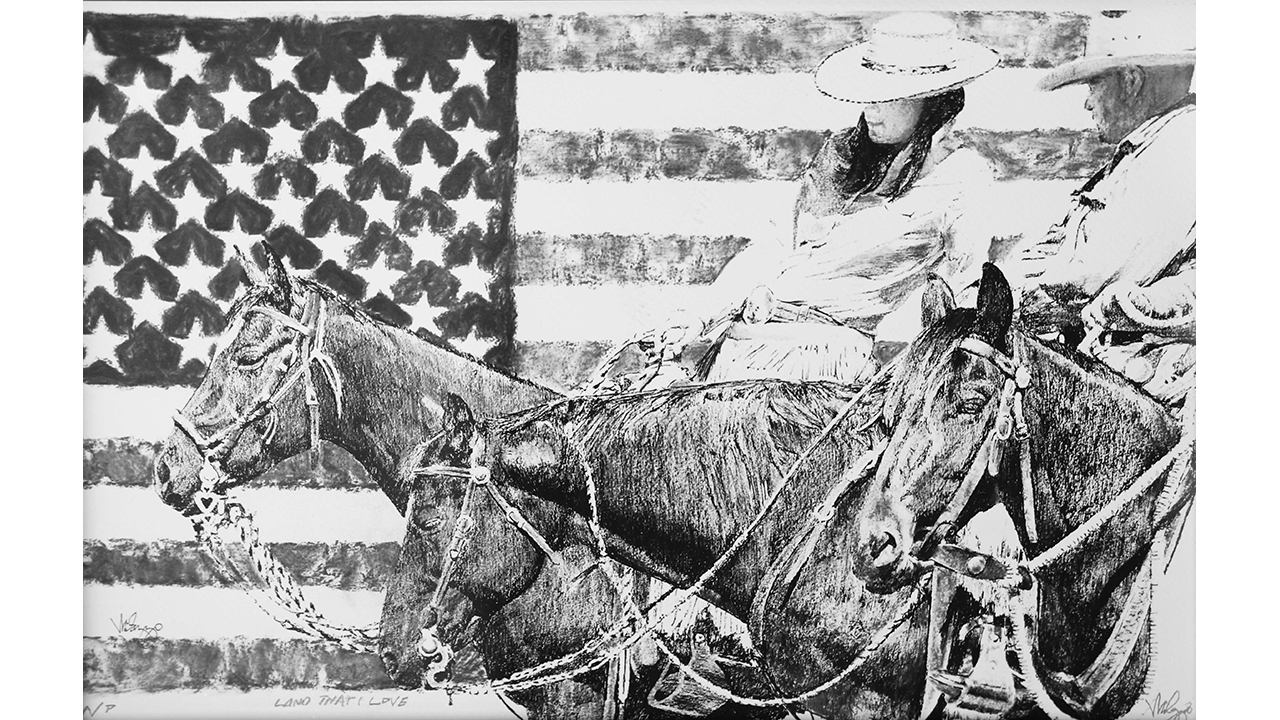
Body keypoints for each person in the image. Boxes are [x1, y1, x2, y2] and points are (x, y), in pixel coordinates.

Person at [663, 13, 1005, 384]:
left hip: (827, 371)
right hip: (743, 348)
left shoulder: (962, 178)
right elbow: (776, 246)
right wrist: (698, 316)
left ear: (933, 102)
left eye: (887, 97)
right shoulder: (839, 154)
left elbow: (965, 289)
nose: (870, 109)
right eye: (868, 94)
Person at [1013, 10, 1195, 412]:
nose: (1086, 102)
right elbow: (1059, 244)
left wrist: (1009, 299)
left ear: (1130, 82)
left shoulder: (1181, 146)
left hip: (1145, 380)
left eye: (1093, 85)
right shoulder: (1146, 150)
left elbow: (1093, 276)